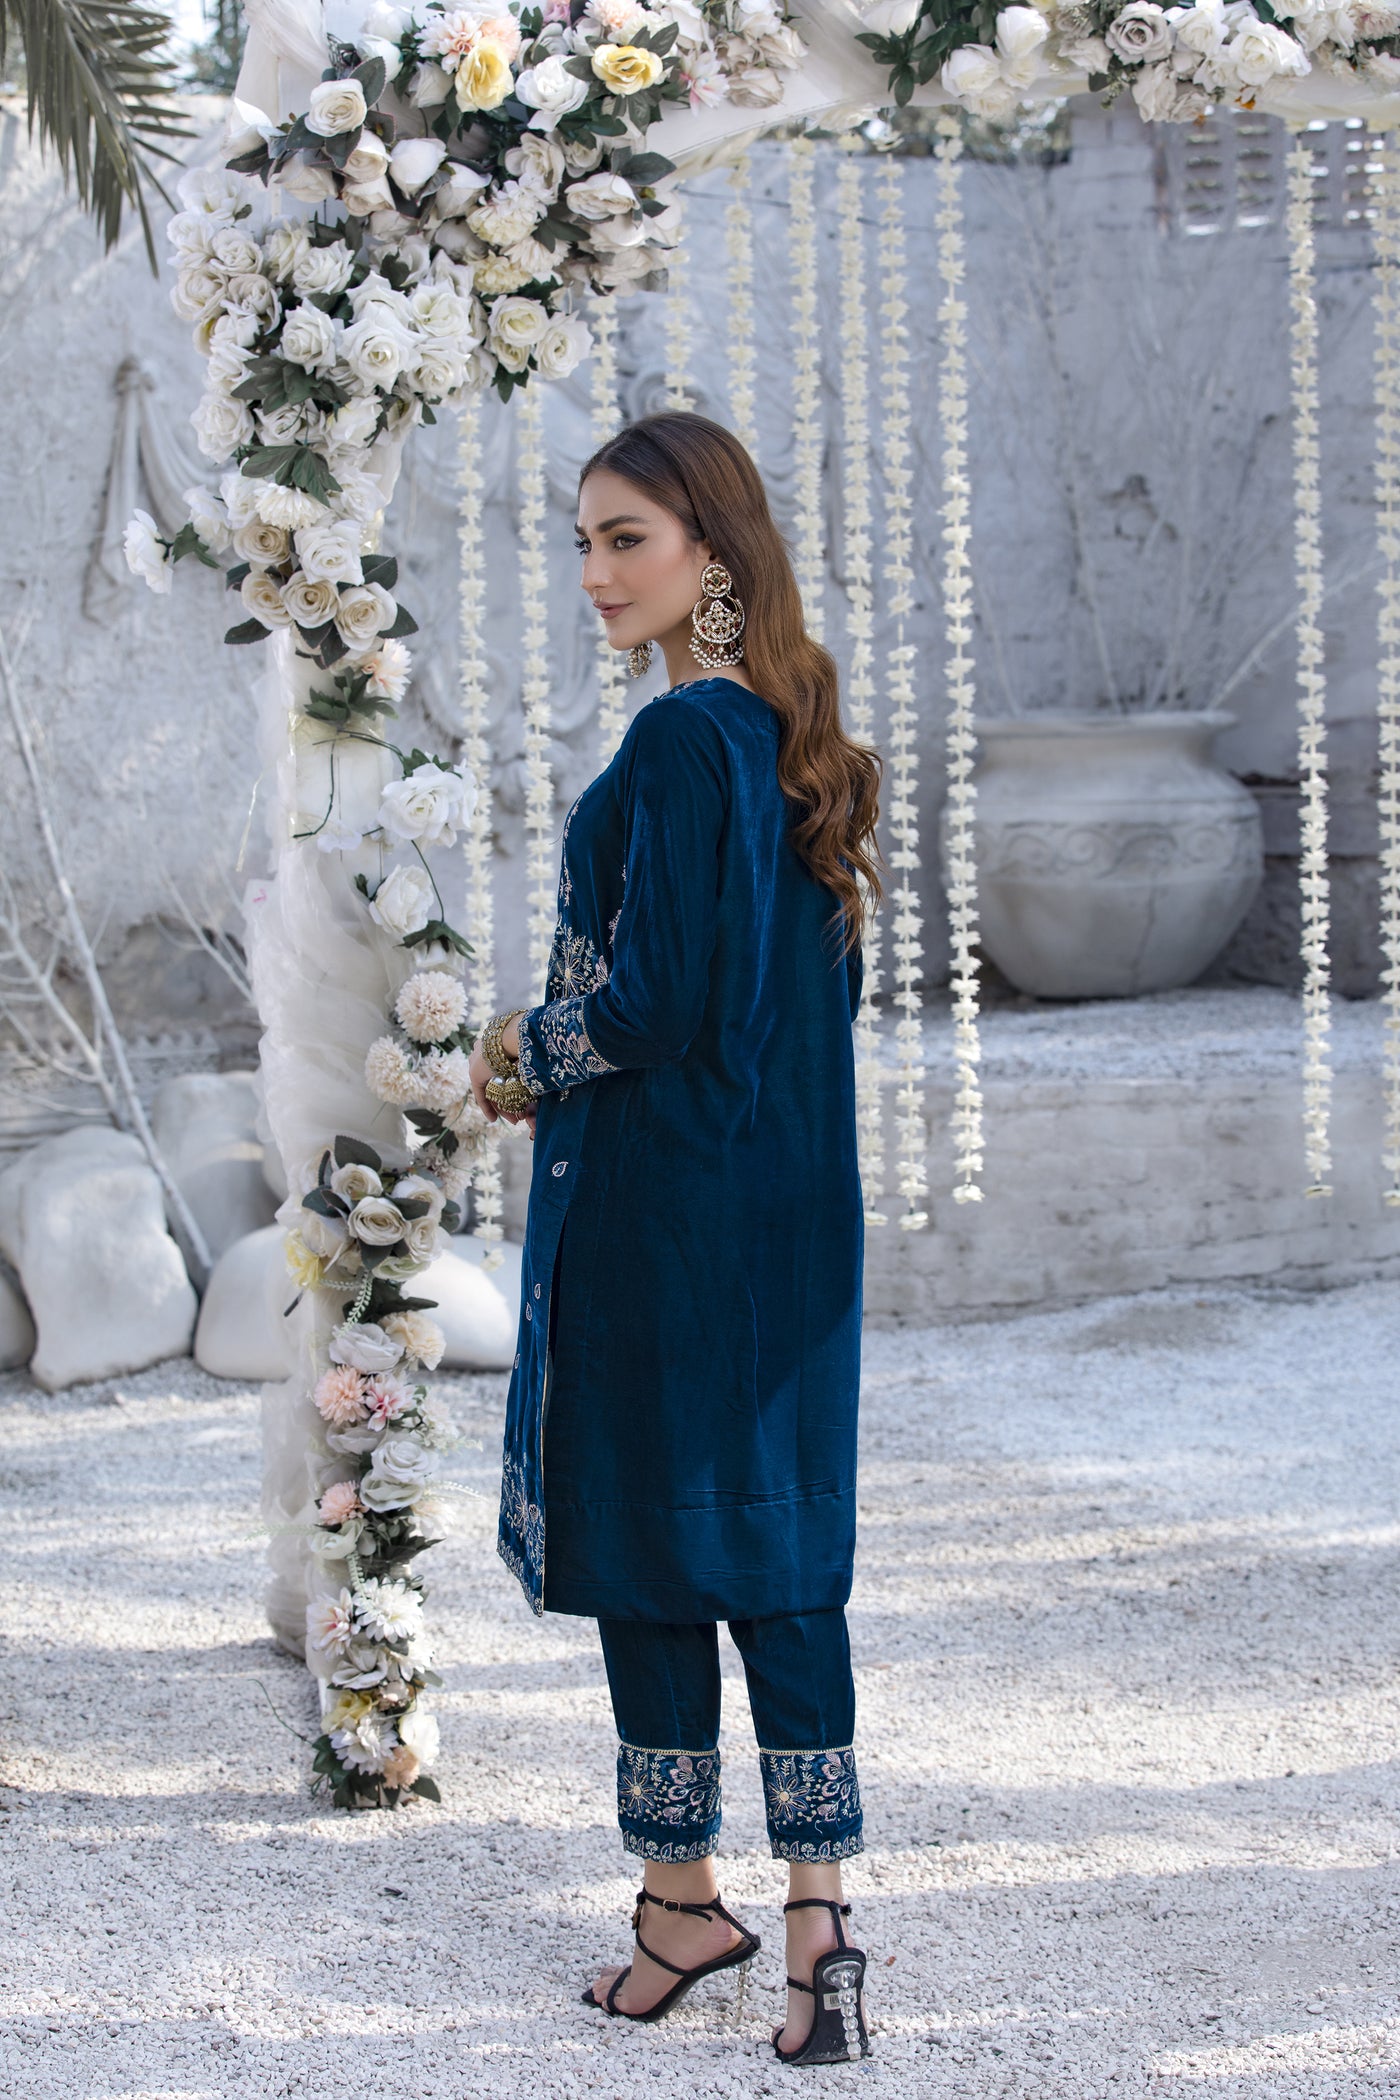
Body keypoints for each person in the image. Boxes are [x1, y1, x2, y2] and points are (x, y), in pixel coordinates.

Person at [467, 411, 884, 2066]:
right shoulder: (793, 742)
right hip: (789, 1230)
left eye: (625, 537)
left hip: (665, 1227)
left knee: (649, 1547)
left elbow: (648, 1007)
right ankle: (814, 1925)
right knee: (778, 1551)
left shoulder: (677, 742)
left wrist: (519, 1049)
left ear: (712, 548)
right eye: (581, 541)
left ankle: (679, 1901)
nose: (594, 572)